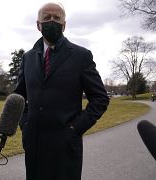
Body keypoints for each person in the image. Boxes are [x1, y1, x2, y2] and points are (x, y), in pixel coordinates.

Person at [14, 2, 109, 180]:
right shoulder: (28, 58)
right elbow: (19, 96)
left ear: (64, 24)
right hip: (34, 145)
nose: (52, 21)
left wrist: (75, 128)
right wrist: (25, 124)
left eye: (57, 18)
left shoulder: (81, 56)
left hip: (65, 145)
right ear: (38, 25)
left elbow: (100, 99)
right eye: (46, 18)